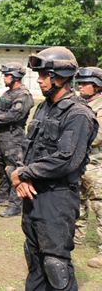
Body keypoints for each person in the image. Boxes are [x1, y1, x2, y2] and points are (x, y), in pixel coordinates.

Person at [11, 46, 97, 291]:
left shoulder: (78, 114)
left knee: (55, 264)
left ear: (60, 76)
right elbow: (27, 147)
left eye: (43, 75)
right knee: (34, 258)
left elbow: (67, 159)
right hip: (33, 194)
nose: (39, 80)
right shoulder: (44, 107)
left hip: (58, 199)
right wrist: (23, 176)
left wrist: (23, 173)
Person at [0, 62, 34, 218]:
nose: (4, 78)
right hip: (1, 136)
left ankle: (15, 205)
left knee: (13, 169)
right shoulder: (7, 93)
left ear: (16, 77)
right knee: (0, 167)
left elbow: (15, 115)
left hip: (13, 138)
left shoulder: (23, 95)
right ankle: (2, 196)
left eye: (7, 75)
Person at [74, 66, 102, 267]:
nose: (81, 87)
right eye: (80, 83)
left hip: (96, 165)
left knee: (99, 207)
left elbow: (97, 136)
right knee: (76, 203)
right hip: (78, 163)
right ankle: (76, 239)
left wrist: (72, 138)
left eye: (86, 83)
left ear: (98, 86)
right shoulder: (78, 104)